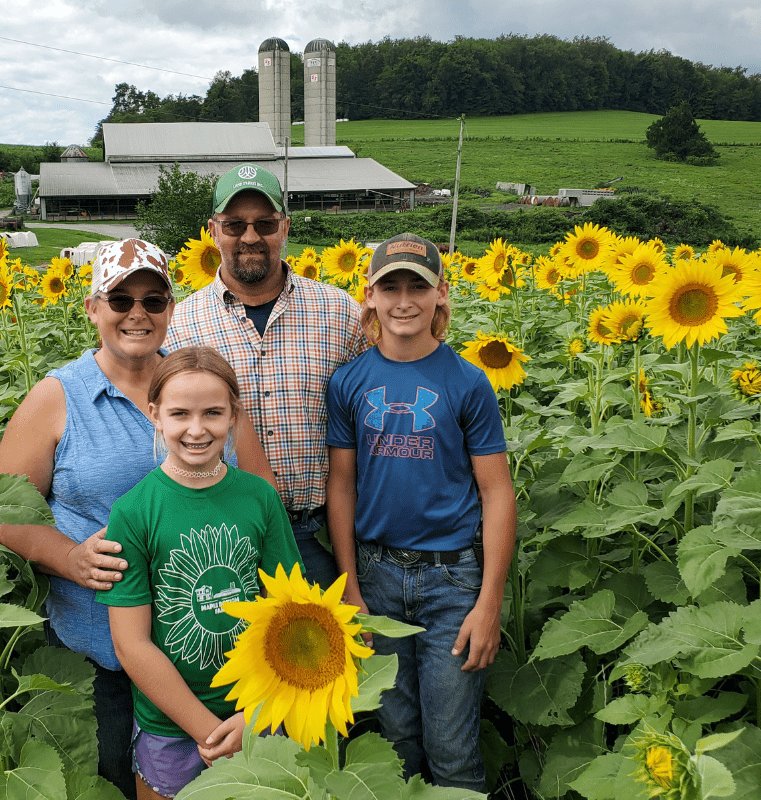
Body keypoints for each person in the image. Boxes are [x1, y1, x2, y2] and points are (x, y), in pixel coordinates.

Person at [0, 240, 276, 797]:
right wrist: (68, 557)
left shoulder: (201, 387)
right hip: (104, 649)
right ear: (94, 308)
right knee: (114, 781)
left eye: (153, 299)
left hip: (214, 653)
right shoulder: (57, 396)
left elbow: (259, 492)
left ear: (171, 307)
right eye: (120, 299)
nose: (137, 313)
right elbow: (5, 509)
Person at [324, 233, 516, 792]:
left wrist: (489, 603)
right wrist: (350, 584)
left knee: (452, 747)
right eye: (390, 287)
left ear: (441, 295)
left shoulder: (467, 381)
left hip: (452, 580)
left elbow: (497, 494)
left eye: (417, 286)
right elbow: (342, 486)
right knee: (397, 735)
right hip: (377, 575)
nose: (403, 300)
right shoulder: (349, 382)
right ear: (370, 296)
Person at [97, 346, 303, 800]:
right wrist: (208, 732)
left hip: (257, 714)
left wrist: (256, 715)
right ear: (155, 415)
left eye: (213, 412)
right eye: (179, 413)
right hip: (171, 726)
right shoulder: (134, 512)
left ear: (234, 415)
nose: (196, 429)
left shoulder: (259, 499)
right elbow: (131, 644)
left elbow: (293, 616)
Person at [165, 163, 367, 590]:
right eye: (235, 225)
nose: (251, 237)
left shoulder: (339, 312)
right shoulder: (182, 325)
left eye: (265, 223)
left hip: (324, 537)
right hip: (220, 537)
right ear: (213, 230)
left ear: (285, 227)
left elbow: (370, 421)